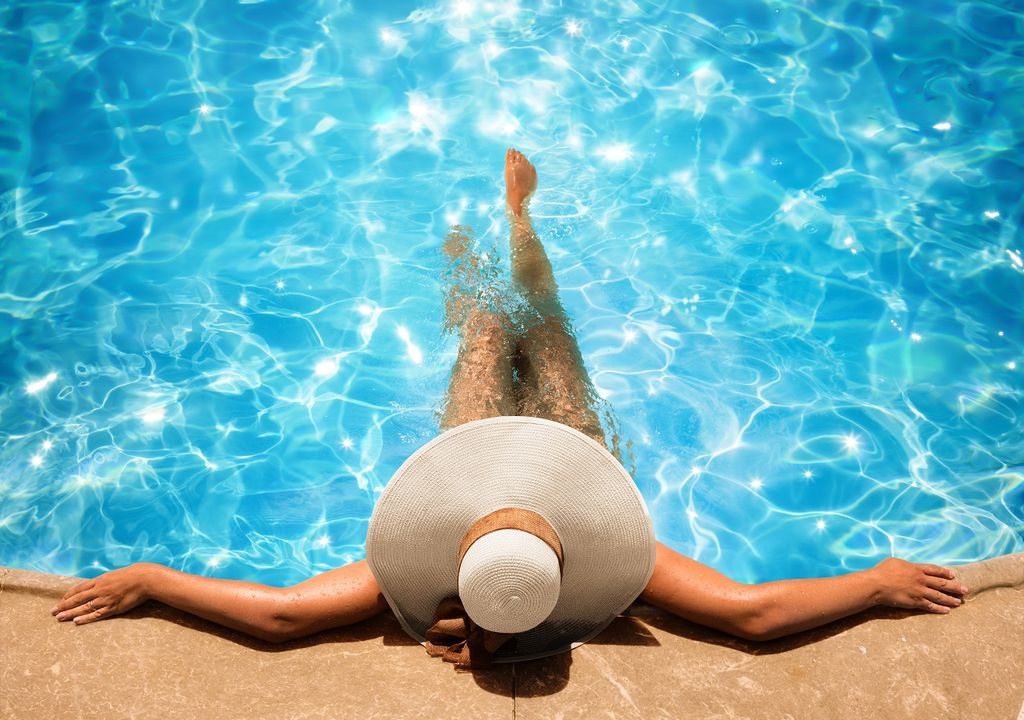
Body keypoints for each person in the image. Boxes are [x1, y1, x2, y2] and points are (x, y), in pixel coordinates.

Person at [50, 149, 968, 670]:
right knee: (544, 325)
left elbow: (285, 617)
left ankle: (501, 231)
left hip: (471, 446)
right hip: (575, 454)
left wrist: (155, 579)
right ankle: (510, 231)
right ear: (567, 557)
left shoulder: (412, 572)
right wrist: (876, 581)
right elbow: (753, 616)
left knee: (492, 330)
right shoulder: (619, 568)